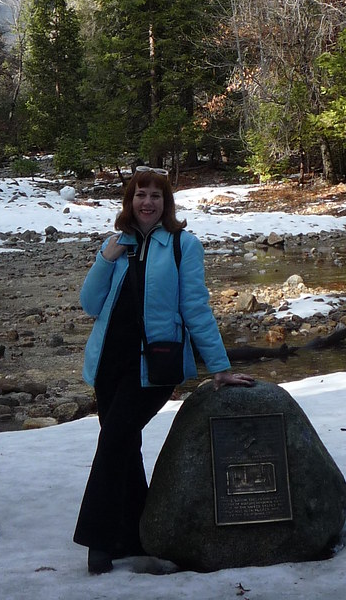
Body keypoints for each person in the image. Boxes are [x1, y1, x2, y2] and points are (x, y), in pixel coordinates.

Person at [73, 166, 255, 575]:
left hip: (155, 365)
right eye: (141, 194)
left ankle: (99, 539)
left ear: (166, 202)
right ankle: (135, 533)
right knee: (124, 444)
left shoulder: (182, 245)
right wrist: (107, 258)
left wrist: (220, 367)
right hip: (109, 364)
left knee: (115, 440)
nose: (148, 202)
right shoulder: (116, 243)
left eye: (156, 195)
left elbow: (195, 308)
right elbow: (89, 304)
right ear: (129, 201)